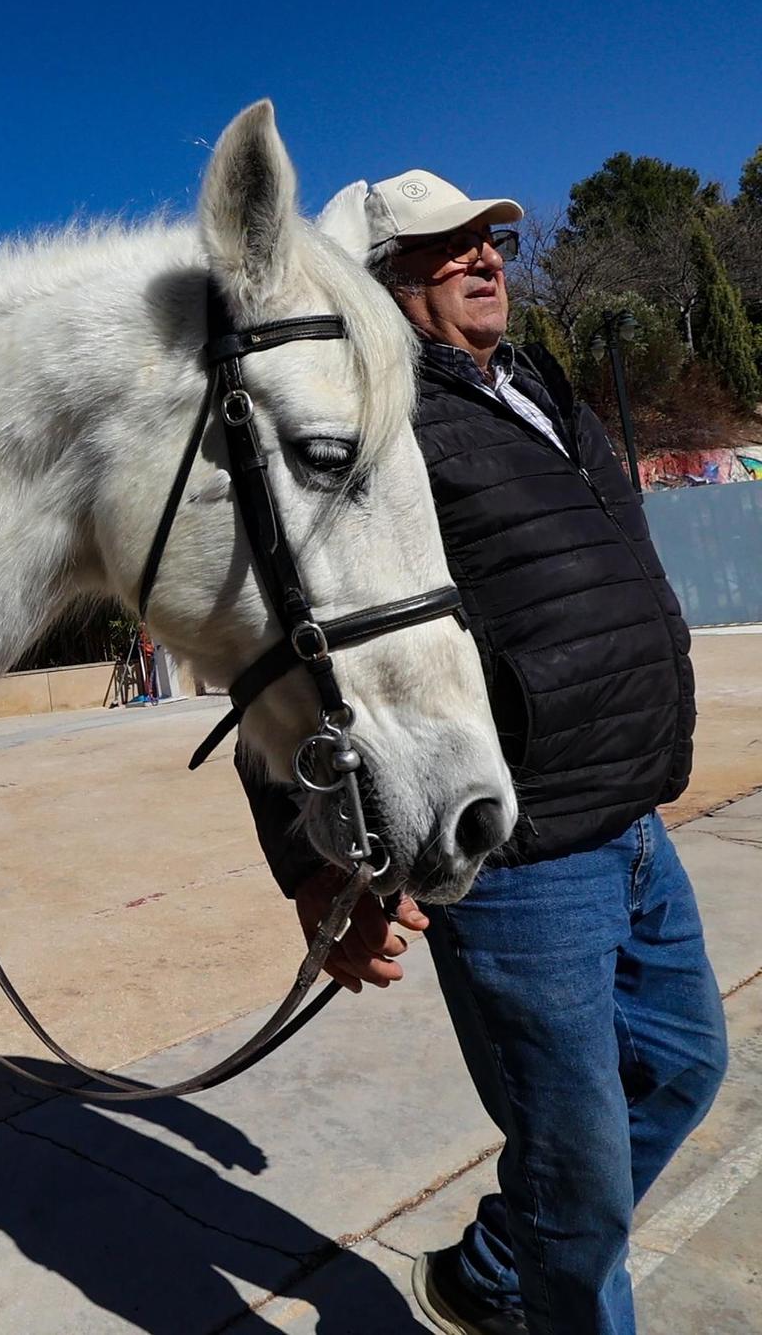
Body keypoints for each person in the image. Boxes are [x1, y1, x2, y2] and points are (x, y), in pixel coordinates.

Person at [241, 171, 725, 1335]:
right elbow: (280, 654)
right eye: (442, 248)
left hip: (630, 823)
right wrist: (312, 867)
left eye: (487, 240)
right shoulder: (372, 425)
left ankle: (495, 1270)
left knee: (679, 1068)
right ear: (380, 281)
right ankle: (543, 1280)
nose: (484, 259)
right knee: (580, 1178)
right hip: (517, 861)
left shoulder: (533, 386)